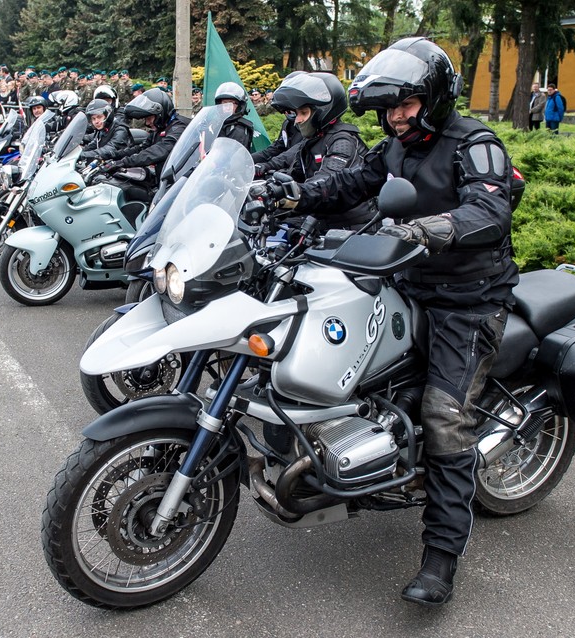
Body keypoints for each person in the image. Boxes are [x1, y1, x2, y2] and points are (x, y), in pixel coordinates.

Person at [266, 37, 516, 607]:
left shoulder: (475, 144)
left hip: (468, 300)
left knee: (445, 415)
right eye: (388, 108)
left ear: (434, 98)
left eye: (406, 104)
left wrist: (430, 228)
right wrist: (291, 194)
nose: (396, 117)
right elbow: (350, 182)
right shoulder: (394, 147)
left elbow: (489, 209)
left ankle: (441, 560)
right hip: (407, 283)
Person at [258, 71, 371, 229]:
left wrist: (291, 195)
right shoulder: (312, 141)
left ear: (323, 110)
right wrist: (266, 189)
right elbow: (293, 173)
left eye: (303, 113)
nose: (297, 120)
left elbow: (326, 180)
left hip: (350, 227)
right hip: (321, 219)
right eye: (297, 113)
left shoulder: (343, 141)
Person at [98, 88, 190, 202]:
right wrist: (112, 155)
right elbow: (141, 148)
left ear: (159, 113)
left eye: (149, 118)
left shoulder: (179, 127)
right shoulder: (160, 128)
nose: (147, 123)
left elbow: (159, 151)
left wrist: (122, 163)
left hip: (182, 187)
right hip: (166, 182)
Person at [80, 98, 133, 163]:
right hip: (108, 165)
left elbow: (110, 149)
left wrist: (82, 155)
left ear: (107, 115)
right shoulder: (102, 130)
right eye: (93, 119)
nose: (96, 121)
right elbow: (92, 145)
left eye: (99, 117)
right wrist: (77, 153)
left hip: (123, 166)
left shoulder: (120, 129)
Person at [212, 82, 254, 149]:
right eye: (225, 103)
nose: (228, 107)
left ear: (240, 106)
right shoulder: (217, 123)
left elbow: (231, 155)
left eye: (232, 103)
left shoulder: (238, 128)